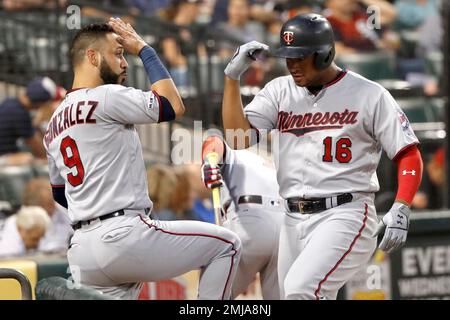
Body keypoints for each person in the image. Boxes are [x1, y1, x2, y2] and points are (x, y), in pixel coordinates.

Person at [221, 13, 423, 300]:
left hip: (345, 212)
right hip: (291, 217)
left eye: (300, 57)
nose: (292, 64)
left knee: (301, 291)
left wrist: (402, 205)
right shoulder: (279, 91)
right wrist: (231, 79)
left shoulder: (369, 94)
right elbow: (237, 138)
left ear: (325, 54)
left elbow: (408, 153)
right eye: (288, 57)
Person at [44, 19, 241, 299]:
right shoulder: (106, 96)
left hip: (82, 251)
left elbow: (61, 194)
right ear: (92, 56)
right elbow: (173, 105)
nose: (124, 62)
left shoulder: (53, 122)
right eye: (118, 53)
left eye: (125, 53)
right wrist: (144, 49)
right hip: (123, 235)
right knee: (227, 244)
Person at [201, 135, 284, 299]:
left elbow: (213, 141)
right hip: (286, 226)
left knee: (210, 297)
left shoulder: (236, 154)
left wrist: (208, 162)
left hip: (250, 219)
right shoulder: (272, 163)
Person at [0, 76, 64, 166]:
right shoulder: (19, 113)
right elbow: (41, 152)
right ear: (41, 103)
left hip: (6, 153)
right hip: (2, 157)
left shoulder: (11, 102)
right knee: (29, 159)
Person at [22, 177, 73, 253]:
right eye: (47, 204)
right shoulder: (21, 221)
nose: (53, 207)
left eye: (52, 202)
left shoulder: (62, 210)